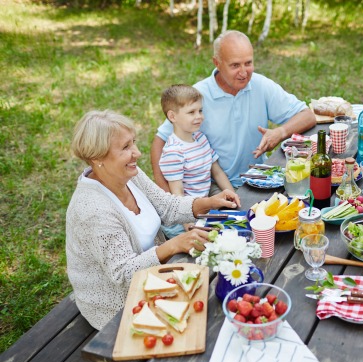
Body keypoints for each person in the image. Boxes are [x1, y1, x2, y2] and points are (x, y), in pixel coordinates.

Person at [66, 110, 241, 330]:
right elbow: (124, 275)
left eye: (134, 143)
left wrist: (210, 202)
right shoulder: (93, 210)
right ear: (97, 158)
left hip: (155, 276)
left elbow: (167, 206)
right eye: (125, 148)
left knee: (225, 289)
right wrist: (172, 245)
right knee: (214, 312)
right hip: (117, 305)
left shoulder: (129, 173)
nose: (137, 153)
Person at [150, 30, 316, 191]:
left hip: (257, 178)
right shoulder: (197, 96)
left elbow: (307, 115)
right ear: (217, 63)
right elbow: (160, 141)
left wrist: (280, 132)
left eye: (248, 63)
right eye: (235, 65)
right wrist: (167, 197)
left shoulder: (261, 85)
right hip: (212, 185)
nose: (243, 72)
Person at [158, 84, 234, 238]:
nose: (199, 116)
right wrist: (188, 224)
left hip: (204, 206)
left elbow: (217, 172)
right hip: (184, 217)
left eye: (200, 111)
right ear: (172, 117)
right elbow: (177, 192)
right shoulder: (174, 151)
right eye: (191, 112)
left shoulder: (201, 138)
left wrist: (232, 195)